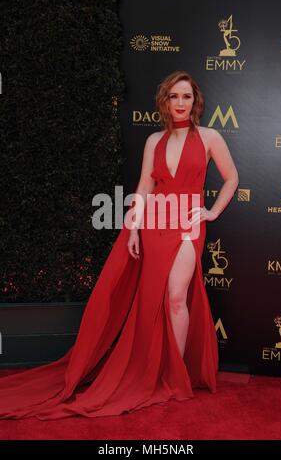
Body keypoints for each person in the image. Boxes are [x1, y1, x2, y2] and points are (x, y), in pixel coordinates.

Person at [0, 70, 239, 419]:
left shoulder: (209, 137)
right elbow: (144, 185)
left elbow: (232, 177)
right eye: (175, 96)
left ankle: (175, 376)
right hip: (155, 223)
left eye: (187, 96)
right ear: (165, 101)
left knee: (175, 297)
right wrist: (133, 228)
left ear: (196, 101)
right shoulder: (154, 141)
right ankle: (152, 368)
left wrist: (211, 212)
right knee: (150, 299)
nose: (181, 103)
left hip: (188, 224)